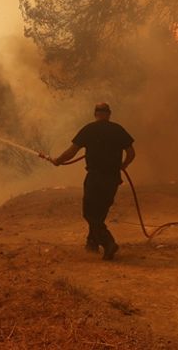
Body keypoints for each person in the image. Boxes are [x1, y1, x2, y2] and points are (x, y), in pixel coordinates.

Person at [40, 103, 135, 261]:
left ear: (95, 114)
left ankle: (108, 242)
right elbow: (131, 153)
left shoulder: (89, 129)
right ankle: (92, 244)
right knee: (100, 212)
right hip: (112, 179)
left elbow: (72, 152)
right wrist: (122, 166)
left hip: (95, 177)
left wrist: (58, 160)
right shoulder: (118, 130)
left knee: (90, 213)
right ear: (109, 114)